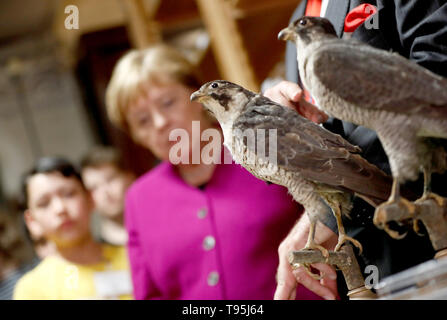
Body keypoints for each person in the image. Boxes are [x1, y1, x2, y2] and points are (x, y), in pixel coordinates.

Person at [105, 44, 321, 299]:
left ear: (200, 98)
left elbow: (333, 218)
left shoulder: (264, 148)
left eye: (168, 103)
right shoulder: (139, 199)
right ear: (135, 136)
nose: (161, 123)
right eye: (143, 120)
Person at [265, 0, 447, 300]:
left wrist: (335, 211)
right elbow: (339, 130)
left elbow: (437, 72)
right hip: (382, 265)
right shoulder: (300, 19)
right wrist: (287, 121)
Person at [13, 157, 133, 300]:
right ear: (32, 221)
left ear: (90, 199)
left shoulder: (133, 257)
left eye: (69, 194)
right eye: (44, 203)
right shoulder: (32, 289)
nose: (60, 208)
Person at [81, 146, 135, 246]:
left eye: (110, 179)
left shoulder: (161, 225)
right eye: (94, 187)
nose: (105, 192)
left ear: (129, 178)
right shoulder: (96, 254)